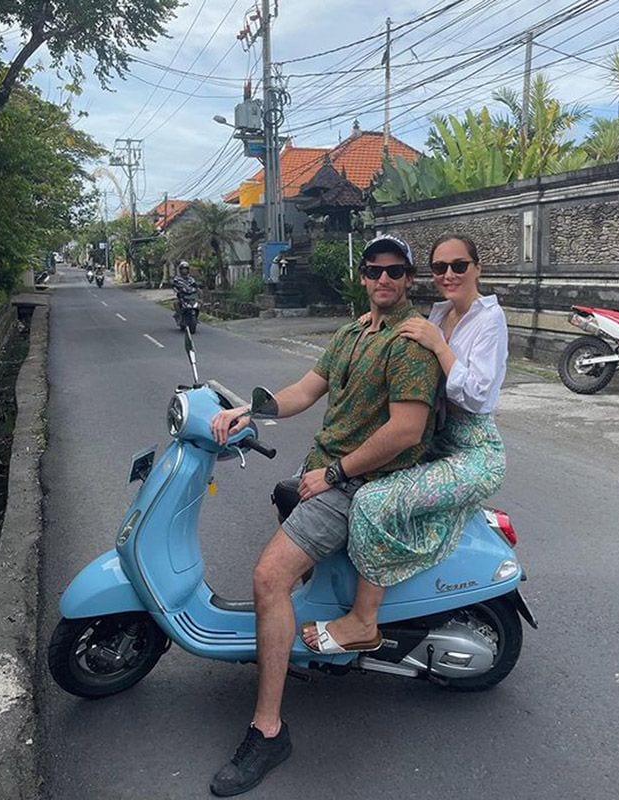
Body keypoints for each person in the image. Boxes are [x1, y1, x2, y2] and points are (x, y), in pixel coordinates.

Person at [207, 234, 441, 797]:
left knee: (268, 578)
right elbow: (306, 390)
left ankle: (268, 731)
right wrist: (250, 409)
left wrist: (335, 476)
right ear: (362, 277)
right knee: (283, 497)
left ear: (409, 279)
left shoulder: (409, 343)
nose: (383, 280)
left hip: (359, 483)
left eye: (395, 271)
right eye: (373, 270)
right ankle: (303, 624)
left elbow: (406, 430)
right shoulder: (353, 332)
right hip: (328, 471)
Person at [302, 233, 508, 656]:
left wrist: (438, 344)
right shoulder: (440, 311)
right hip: (438, 443)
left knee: (372, 502)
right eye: (440, 267)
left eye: (459, 266)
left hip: (472, 451)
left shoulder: (489, 319)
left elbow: (477, 397)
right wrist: (370, 322)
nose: (449, 275)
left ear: (477, 268)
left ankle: (363, 621)